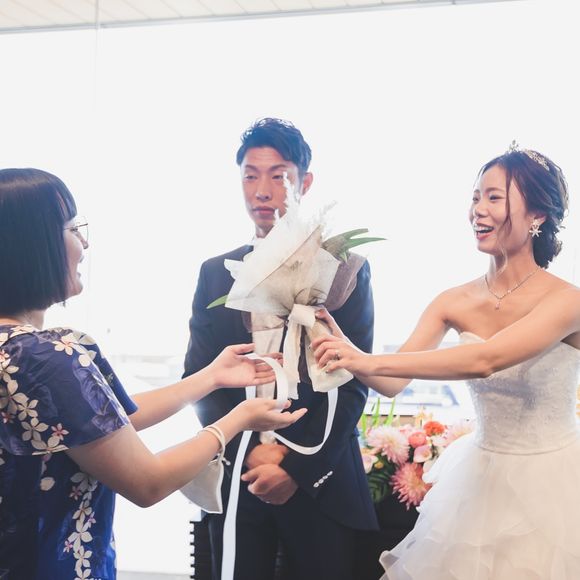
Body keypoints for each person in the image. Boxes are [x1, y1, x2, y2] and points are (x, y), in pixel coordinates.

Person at [0, 167, 306, 580]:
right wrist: (236, 420)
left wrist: (210, 377)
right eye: (73, 228)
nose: (84, 243)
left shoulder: (18, 349)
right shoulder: (47, 356)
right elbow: (148, 483)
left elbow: (104, 421)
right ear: (33, 244)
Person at [313, 143, 580, 579]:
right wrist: (341, 345)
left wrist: (366, 360)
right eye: (475, 197)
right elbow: (391, 383)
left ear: (537, 214)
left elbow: (485, 359)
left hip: (557, 482)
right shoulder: (452, 300)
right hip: (480, 482)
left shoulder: (568, 301)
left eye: (494, 197)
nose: (478, 210)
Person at [183, 117, 378, 580]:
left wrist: (294, 467)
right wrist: (249, 450)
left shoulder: (344, 268)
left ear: (304, 183)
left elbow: (355, 380)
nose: (262, 191)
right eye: (250, 176)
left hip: (322, 481)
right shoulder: (216, 273)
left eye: (278, 176)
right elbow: (200, 379)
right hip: (241, 474)